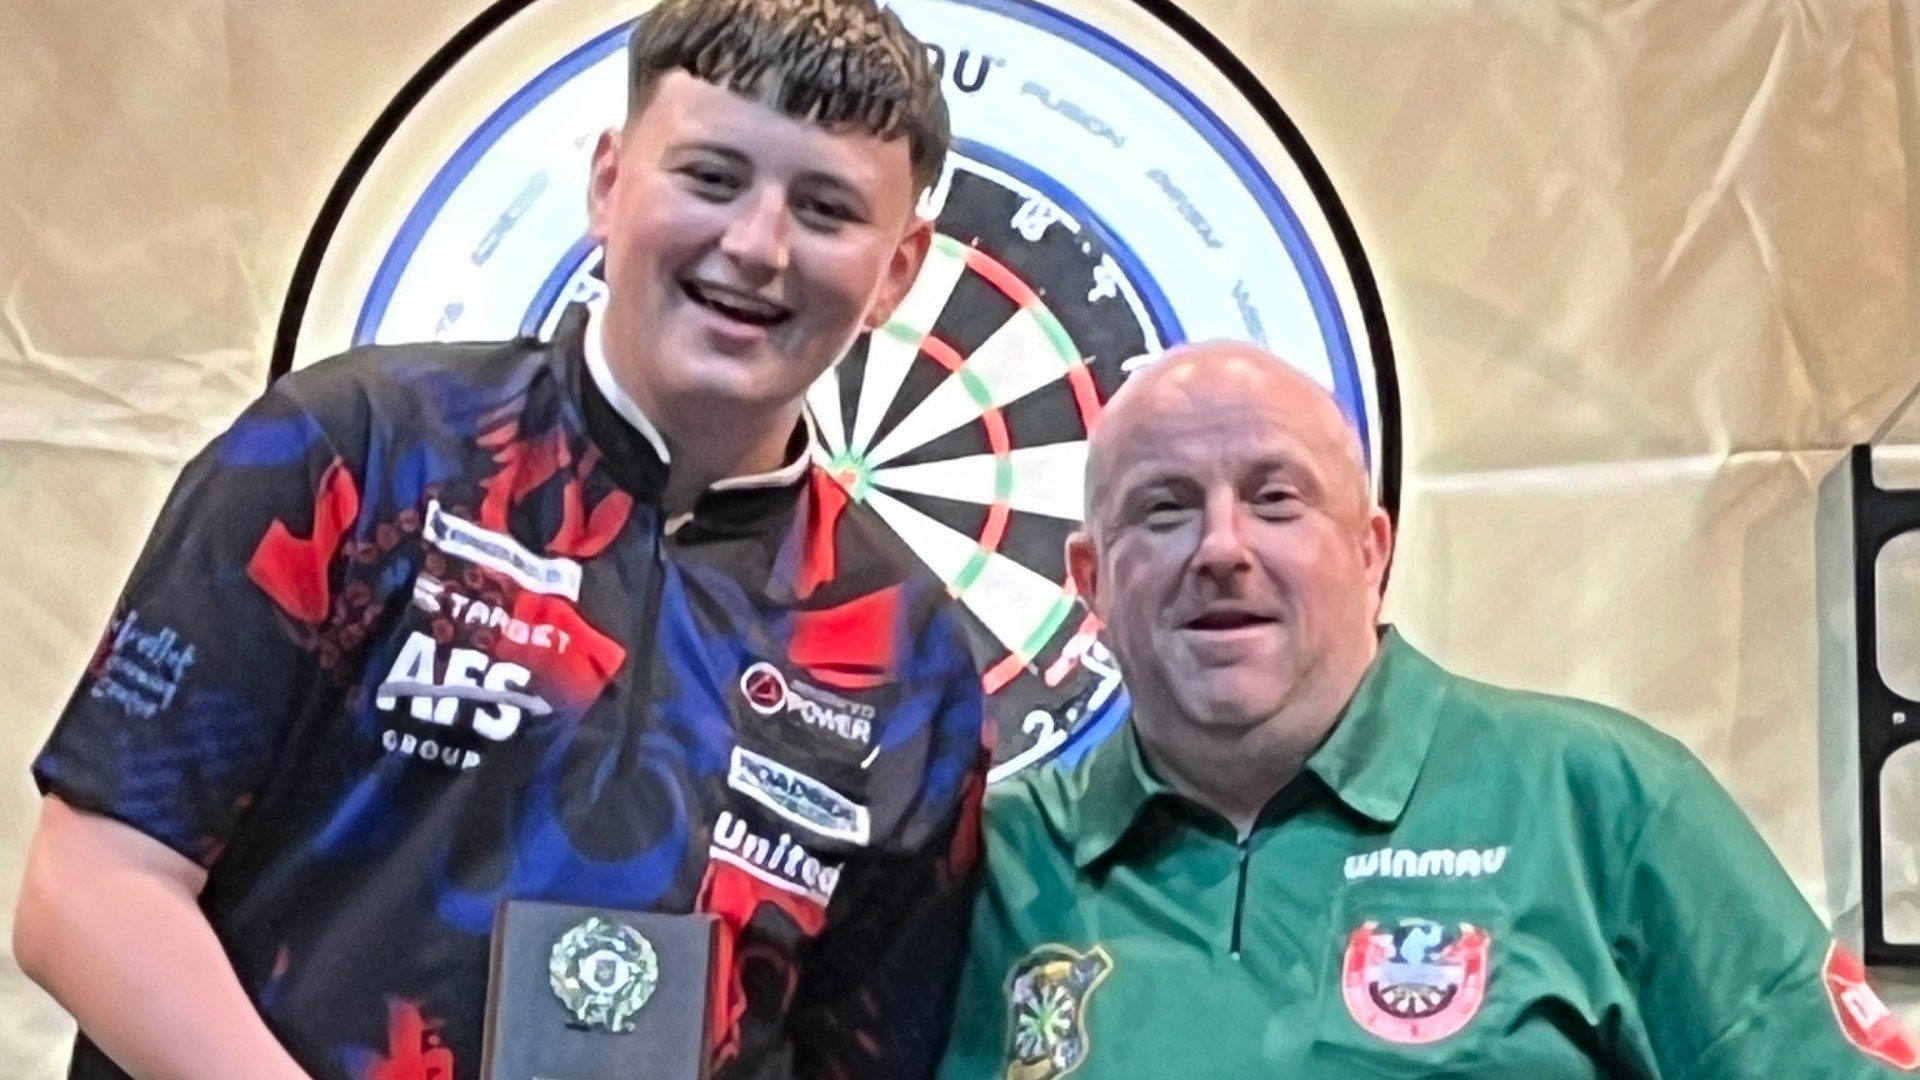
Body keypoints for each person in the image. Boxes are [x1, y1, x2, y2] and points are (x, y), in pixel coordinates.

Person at [15, 2, 989, 1078]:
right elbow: (88, 892)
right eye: (711, 177)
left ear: (897, 271)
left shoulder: (913, 661)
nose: (757, 245)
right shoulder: (355, 450)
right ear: (609, 183)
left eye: (826, 209)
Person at [937, 341, 1920, 1078]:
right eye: (1164, 508)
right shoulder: (990, 867)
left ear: (1371, 553)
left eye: (1276, 500)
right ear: (1090, 578)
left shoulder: (1600, 802)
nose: (1222, 548)